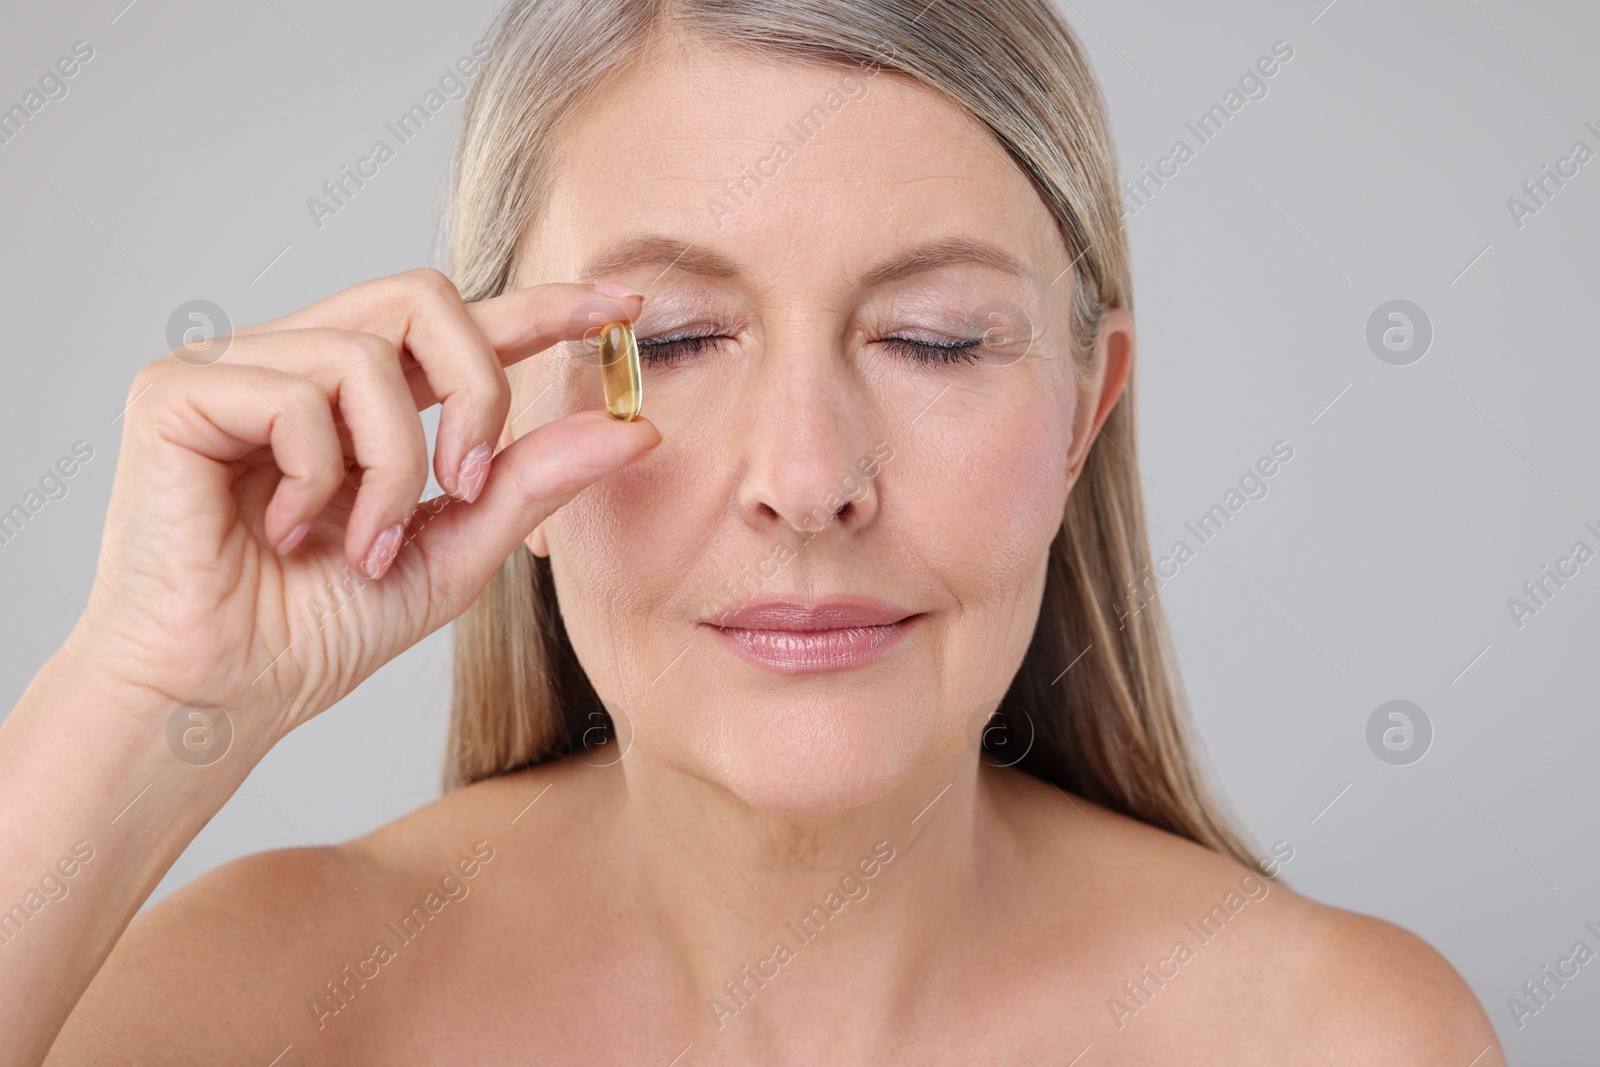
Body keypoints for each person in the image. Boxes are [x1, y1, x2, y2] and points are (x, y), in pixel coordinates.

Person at [2, 0, 1501, 1062]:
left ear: (1083, 417)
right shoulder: (264, 1003)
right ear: (506, 406)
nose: (808, 476)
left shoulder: (1339, 1036)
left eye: (932, 340)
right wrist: (143, 703)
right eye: (677, 339)